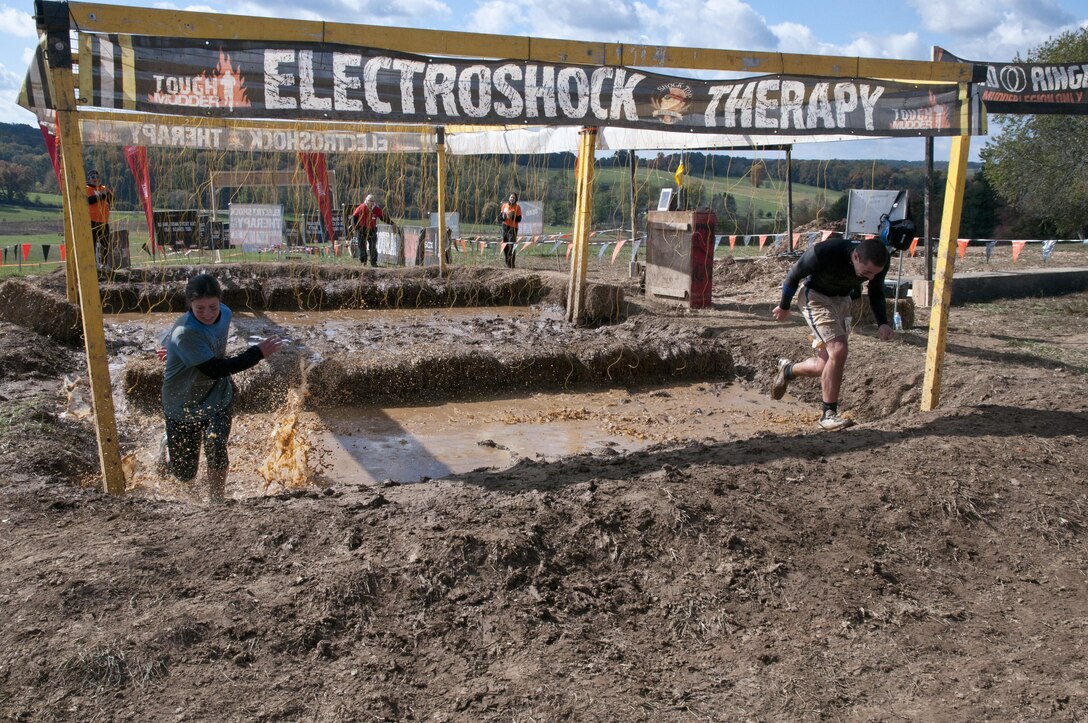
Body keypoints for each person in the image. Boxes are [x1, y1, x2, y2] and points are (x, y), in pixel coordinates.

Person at [159, 273, 284, 502]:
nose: (207, 314)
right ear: (189, 306)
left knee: (216, 443)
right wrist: (257, 353)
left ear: (220, 301)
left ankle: (217, 501)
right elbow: (215, 369)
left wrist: (179, 352)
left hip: (217, 394)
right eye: (200, 309)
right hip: (182, 401)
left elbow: (211, 366)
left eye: (212, 307)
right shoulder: (184, 332)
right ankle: (167, 445)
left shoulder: (225, 313)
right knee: (185, 475)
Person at [770, 236, 893, 431]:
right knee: (839, 350)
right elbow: (794, 274)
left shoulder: (880, 262)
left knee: (823, 365)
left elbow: (876, 291)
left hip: (842, 301)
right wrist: (784, 306)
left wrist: (883, 323)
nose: (869, 277)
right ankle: (828, 414)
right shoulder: (825, 251)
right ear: (855, 256)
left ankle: (787, 370)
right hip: (815, 297)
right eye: (867, 272)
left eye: (874, 273)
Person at [351, 194, 390, 266]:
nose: (371, 203)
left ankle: (373, 262)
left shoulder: (376, 209)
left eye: (372, 201)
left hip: (372, 229)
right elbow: (354, 217)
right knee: (361, 245)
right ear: (366, 200)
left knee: (372, 246)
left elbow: (382, 217)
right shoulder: (361, 207)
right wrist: (355, 227)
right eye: (369, 201)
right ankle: (363, 261)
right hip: (362, 229)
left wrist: (391, 222)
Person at [85, 169, 113, 267]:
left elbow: (111, 200)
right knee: (92, 243)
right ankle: (93, 264)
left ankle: (104, 264)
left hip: (104, 221)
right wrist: (102, 195)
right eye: (93, 177)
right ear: (89, 179)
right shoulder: (87, 188)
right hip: (92, 221)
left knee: (105, 243)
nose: (95, 179)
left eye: (97, 177)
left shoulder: (103, 187)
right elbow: (89, 200)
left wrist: (108, 194)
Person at [498, 192, 522, 268]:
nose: (512, 198)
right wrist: (503, 217)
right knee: (505, 245)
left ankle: (512, 263)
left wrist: (512, 217)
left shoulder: (517, 207)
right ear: (509, 198)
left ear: (515, 199)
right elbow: (500, 217)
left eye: (513, 198)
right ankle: (507, 262)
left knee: (511, 245)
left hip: (513, 228)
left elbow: (519, 219)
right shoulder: (504, 206)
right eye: (511, 197)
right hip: (505, 227)